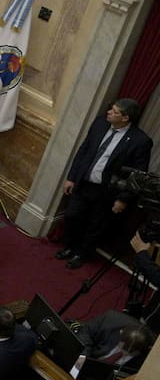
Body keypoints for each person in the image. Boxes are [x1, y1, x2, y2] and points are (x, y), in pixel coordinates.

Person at [56, 98, 153, 270]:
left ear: (125, 118)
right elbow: (83, 151)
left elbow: (137, 175)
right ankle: (69, 247)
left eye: (114, 112)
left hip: (107, 192)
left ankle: (81, 254)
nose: (109, 112)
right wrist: (71, 177)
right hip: (84, 183)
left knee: (95, 225)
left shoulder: (140, 141)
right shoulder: (100, 124)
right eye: (111, 109)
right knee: (72, 216)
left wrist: (123, 198)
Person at [75, 308, 154, 373]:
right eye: (123, 348)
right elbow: (86, 333)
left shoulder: (150, 353)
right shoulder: (110, 319)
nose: (125, 353)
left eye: (131, 352)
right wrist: (82, 356)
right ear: (121, 332)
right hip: (87, 360)